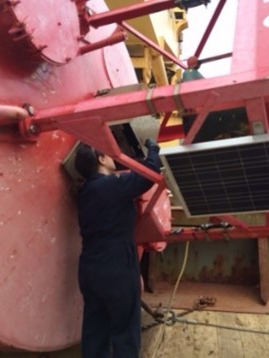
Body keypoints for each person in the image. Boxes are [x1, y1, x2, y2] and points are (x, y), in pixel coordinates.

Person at [74, 139, 161, 358]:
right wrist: (153, 149)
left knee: (95, 329)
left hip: (89, 269)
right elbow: (149, 173)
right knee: (125, 331)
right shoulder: (114, 185)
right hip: (117, 268)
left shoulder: (83, 192)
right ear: (101, 159)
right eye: (109, 153)